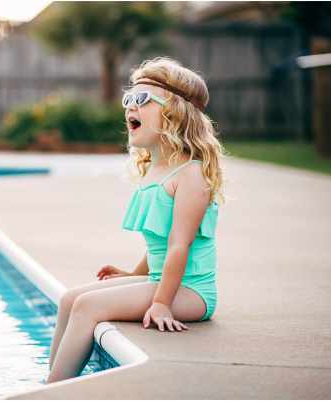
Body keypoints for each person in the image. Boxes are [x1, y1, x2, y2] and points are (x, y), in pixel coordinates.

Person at [46, 56, 227, 384]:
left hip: (191, 291)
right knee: (70, 298)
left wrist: (161, 303)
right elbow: (159, 242)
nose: (130, 107)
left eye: (142, 100)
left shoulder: (191, 175)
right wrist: (134, 275)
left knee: (88, 307)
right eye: (128, 99)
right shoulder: (155, 171)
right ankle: (48, 379)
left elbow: (178, 246)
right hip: (164, 279)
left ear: (174, 112)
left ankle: (56, 388)